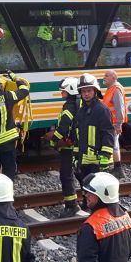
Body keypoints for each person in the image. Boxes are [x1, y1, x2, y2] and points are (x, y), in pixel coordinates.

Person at [48, 76, 80, 217]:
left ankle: (71, 206)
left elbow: (63, 127)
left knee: (66, 176)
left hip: (68, 147)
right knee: (79, 173)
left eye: (63, 91)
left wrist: (53, 140)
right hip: (76, 145)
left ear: (70, 91)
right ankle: (85, 199)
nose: (61, 93)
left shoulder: (69, 106)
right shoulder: (79, 104)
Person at [74, 73, 115, 179]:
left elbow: (108, 134)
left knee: (98, 194)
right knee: (86, 193)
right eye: (83, 91)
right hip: (85, 162)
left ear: (95, 91)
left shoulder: (102, 110)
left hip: (100, 163)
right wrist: (75, 157)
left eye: (89, 91)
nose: (86, 94)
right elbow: (78, 136)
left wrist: (105, 157)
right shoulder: (80, 112)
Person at [102, 70, 128, 179]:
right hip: (110, 123)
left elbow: (119, 108)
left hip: (113, 124)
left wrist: (118, 124)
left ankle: (118, 169)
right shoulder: (111, 89)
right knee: (114, 145)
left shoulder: (116, 89)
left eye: (106, 76)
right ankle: (117, 169)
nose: (104, 77)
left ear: (113, 78)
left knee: (114, 146)